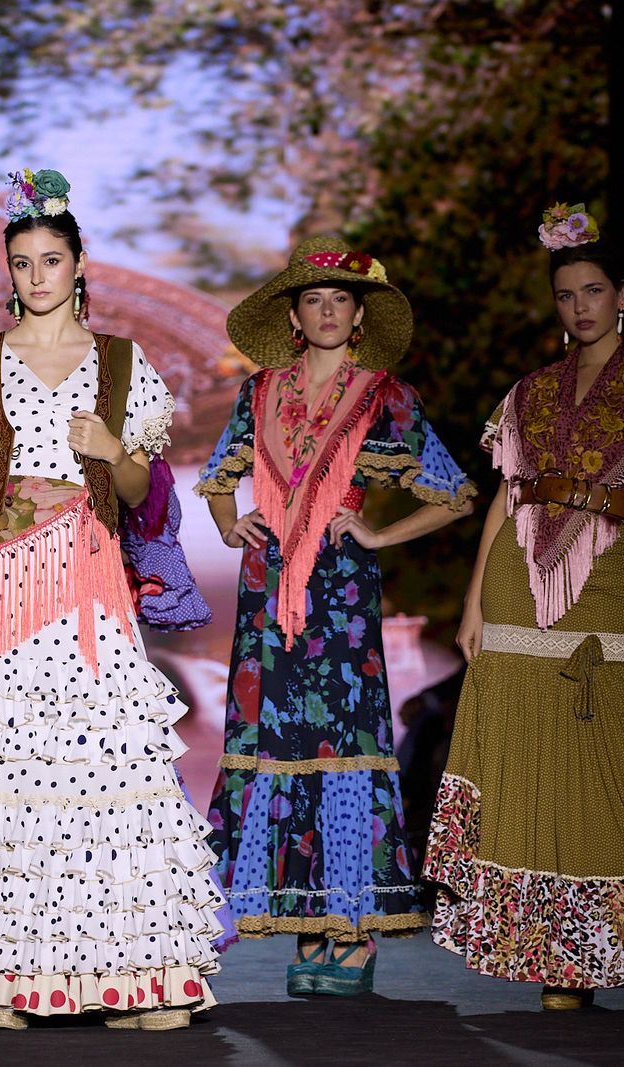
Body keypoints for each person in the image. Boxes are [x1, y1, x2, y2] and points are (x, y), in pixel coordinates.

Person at [0, 169, 223, 1032]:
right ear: (10, 271)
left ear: (78, 265)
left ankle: (136, 973)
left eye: (50, 260)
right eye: (23, 263)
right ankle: (4, 976)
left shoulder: (121, 363)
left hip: (85, 571)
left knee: (105, 767)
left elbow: (143, 488)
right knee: (0, 770)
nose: (36, 276)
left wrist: (112, 447)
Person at [424, 204, 624, 1016]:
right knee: (535, 760)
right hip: (513, 578)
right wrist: (471, 602)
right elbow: (506, 494)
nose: (580, 306)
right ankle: (565, 953)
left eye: (594, 290)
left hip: (605, 576)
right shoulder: (528, 393)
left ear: (623, 294)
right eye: (567, 294)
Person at [196, 236, 476, 995]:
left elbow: (453, 491)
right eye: (313, 299)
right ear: (294, 314)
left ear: (358, 316)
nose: (326, 311)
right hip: (268, 590)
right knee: (278, 744)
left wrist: (379, 530)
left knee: (344, 745)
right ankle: (311, 919)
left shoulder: (384, 394)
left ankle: (350, 928)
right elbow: (218, 477)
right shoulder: (259, 394)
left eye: (340, 300)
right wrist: (228, 524)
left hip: (341, 590)